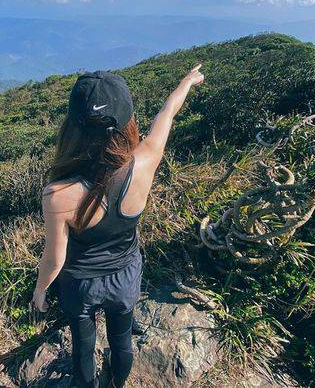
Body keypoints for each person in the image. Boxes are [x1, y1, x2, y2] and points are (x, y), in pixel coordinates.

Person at [31, 64, 205, 387]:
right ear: (127, 124)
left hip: (80, 285)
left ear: (73, 128)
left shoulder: (57, 195)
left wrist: (40, 292)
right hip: (125, 276)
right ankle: (116, 383)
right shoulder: (146, 160)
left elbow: (54, 261)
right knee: (122, 342)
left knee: (83, 348)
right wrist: (186, 83)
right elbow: (166, 115)